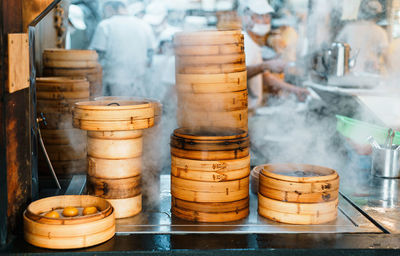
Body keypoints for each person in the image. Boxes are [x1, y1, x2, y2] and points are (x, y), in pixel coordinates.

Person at [240, 0, 308, 109]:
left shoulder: (254, 43)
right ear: (246, 18)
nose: (265, 21)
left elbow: (263, 76)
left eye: (267, 16)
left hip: (253, 110)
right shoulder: (242, 41)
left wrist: (294, 90)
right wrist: (266, 65)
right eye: (260, 16)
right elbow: (239, 76)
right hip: (243, 112)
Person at [89, 0, 156, 96]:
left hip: (114, 82)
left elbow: (95, 56)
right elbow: (151, 55)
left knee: (117, 109)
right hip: (139, 82)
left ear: (109, 9)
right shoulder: (144, 25)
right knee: (138, 109)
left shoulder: (105, 25)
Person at [335, 0, 389, 74]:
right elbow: (386, 57)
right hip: (372, 74)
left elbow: (337, 48)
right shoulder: (380, 31)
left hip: (350, 73)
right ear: (376, 15)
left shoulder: (349, 28)